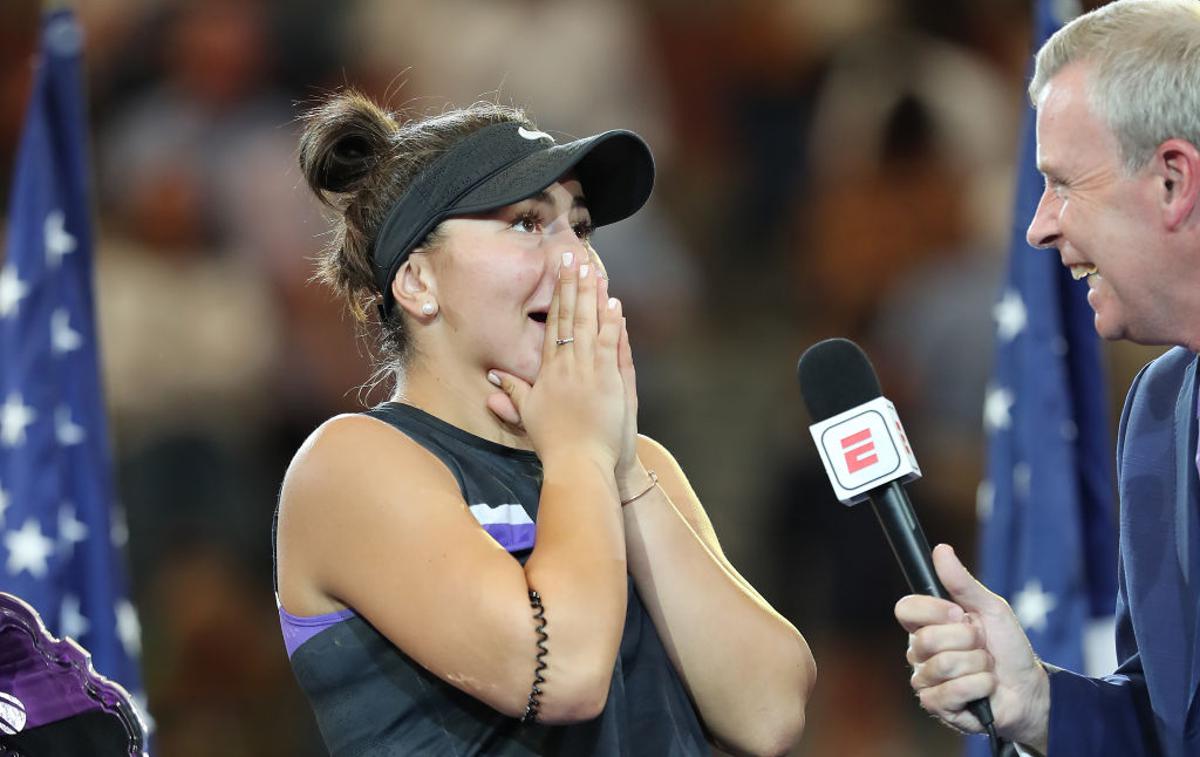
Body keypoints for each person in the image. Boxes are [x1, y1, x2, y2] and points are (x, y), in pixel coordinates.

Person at [270, 89, 816, 756]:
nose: (578, 262)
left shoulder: (633, 464)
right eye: (528, 223)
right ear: (416, 283)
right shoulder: (353, 464)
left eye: (580, 227)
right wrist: (584, 454)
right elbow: (563, 672)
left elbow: (771, 712)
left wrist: (621, 468)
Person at [893, 1, 1200, 755]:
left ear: (1172, 180)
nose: (1038, 225)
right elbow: (1167, 731)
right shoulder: (1160, 411)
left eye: (1064, 183)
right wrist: (1037, 702)